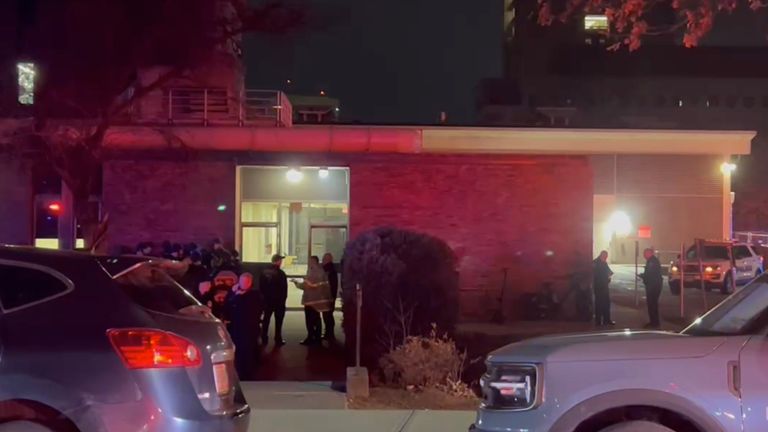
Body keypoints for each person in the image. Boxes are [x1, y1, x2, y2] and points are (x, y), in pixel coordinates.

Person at [229, 272, 262, 379]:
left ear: (250, 283)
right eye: (242, 281)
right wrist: (234, 294)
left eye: (246, 281)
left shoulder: (254, 295)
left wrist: (238, 296)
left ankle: (247, 374)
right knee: (238, 351)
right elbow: (227, 306)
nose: (243, 283)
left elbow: (255, 309)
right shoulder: (235, 293)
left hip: (249, 329)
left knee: (248, 351)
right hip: (236, 328)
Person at [294, 256, 333, 346]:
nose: (308, 263)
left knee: (310, 320)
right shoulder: (321, 271)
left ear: (313, 261)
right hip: (318, 300)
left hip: (311, 300)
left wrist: (297, 284)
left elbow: (307, 285)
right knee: (317, 320)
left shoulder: (313, 272)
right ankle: (317, 338)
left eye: (309, 261)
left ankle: (311, 338)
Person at [260, 254, 288, 347]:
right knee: (278, 320)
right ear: (278, 261)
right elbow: (284, 289)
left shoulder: (264, 272)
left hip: (267, 301)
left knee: (266, 319)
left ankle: (264, 337)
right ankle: (278, 338)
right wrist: (283, 300)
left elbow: (261, 287)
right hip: (278, 301)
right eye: (281, 260)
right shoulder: (281, 274)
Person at [640, 248, 663, 329]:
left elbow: (650, 274)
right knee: (653, 304)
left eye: (645, 254)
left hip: (653, 286)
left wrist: (643, 276)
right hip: (654, 285)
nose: (644, 255)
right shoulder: (653, 260)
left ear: (649, 253)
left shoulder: (652, 261)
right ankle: (654, 322)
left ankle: (654, 322)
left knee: (652, 304)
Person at [593, 250, 615, 326]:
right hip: (599, 287)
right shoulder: (595, 263)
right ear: (602, 255)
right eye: (605, 256)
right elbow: (595, 276)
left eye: (606, 257)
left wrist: (608, 277)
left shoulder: (604, 263)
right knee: (599, 304)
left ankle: (607, 320)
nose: (606, 258)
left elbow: (608, 272)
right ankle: (598, 321)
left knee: (606, 303)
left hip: (604, 286)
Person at [321, 253, 339, 340]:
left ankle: (329, 334)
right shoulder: (332, 270)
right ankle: (329, 333)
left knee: (327, 316)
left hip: (327, 297)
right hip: (330, 297)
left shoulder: (327, 270)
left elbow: (328, 285)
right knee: (328, 315)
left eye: (324, 258)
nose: (322, 260)